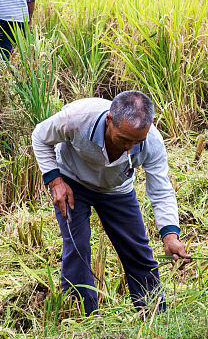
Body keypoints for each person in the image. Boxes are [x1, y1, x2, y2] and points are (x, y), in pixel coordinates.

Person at [32, 90, 190, 316]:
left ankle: (155, 317)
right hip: (72, 181)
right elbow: (40, 135)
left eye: (137, 141)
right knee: (78, 247)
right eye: (124, 139)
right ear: (109, 121)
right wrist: (55, 181)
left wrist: (170, 236)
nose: (130, 147)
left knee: (137, 251)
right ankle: (83, 320)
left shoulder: (152, 142)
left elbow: (161, 189)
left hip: (117, 189)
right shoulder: (78, 118)